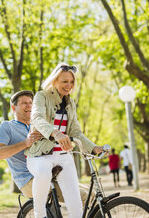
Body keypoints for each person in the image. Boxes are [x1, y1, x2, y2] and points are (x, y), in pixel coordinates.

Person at [25, 62, 105, 218]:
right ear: (54, 81)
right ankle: (39, 215)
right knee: (42, 172)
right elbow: (37, 118)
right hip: (40, 155)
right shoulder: (42, 96)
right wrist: (56, 133)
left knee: (76, 206)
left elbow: (76, 132)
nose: (69, 85)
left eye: (72, 82)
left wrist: (94, 148)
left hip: (63, 157)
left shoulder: (70, 103)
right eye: (64, 81)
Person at [0, 90, 89, 203]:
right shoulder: (7, 126)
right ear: (13, 108)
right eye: (24, 103)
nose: (29, 106)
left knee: (90, 193)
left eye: (31, 102)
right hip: (29, 180)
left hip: (52, 174)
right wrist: (26, 143)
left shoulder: (41, 125)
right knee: (84, 196)